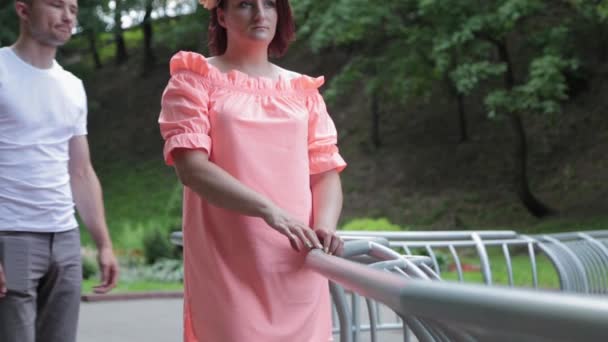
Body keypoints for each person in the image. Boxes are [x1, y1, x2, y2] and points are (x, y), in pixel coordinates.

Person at [158, 0, 347, 340]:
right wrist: (269, 211)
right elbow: (192, 170)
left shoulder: (302, 92)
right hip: (228, 264)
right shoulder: (195, 79)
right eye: (245, 4)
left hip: (297, 263)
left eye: (270, 4)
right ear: (221, 15)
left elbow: (325, 171)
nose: (261, 14)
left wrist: (324, 228)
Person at [0, 0, 119, 340]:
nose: (68, 16)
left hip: (64, 239)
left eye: (74, 8)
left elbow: (81, 171)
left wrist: (104, 244)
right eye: (56, 5)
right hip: (11, 236)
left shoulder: (71, 86)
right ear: (23, 10)